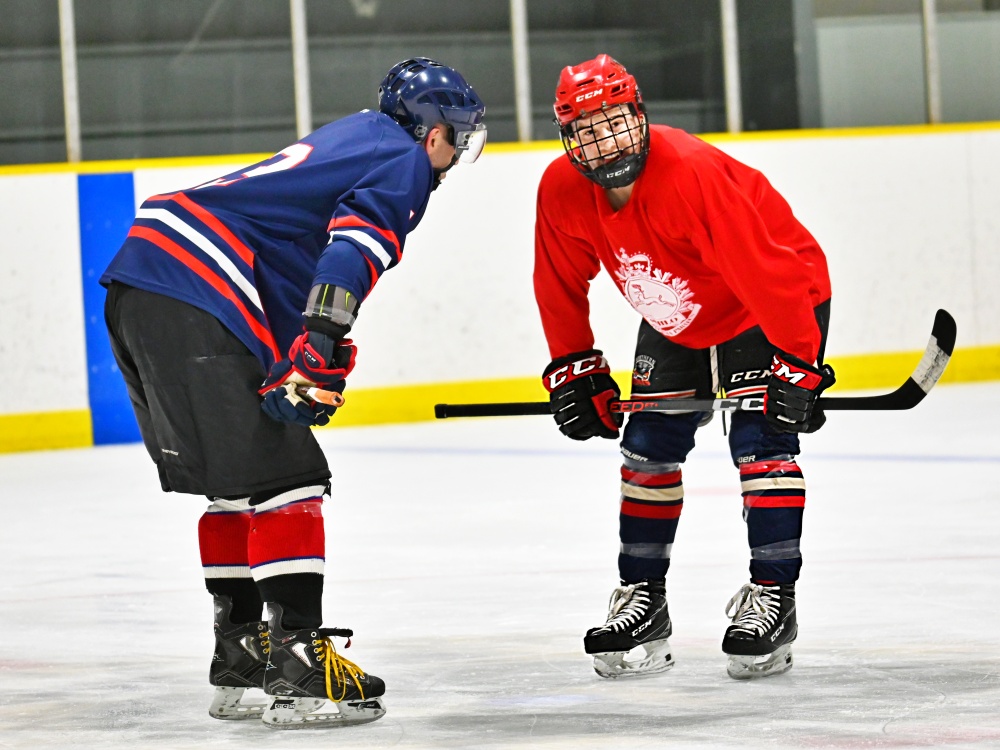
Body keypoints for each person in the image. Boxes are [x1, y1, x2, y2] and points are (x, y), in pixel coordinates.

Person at [100, 58, 486, 727]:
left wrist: (302, 352)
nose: (452, 156)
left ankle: (243, 659)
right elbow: (351, 253)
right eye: (456, 137)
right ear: (433, 134)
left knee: (234, 484)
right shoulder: (403, 161)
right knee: (290, 479)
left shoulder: (357, 138)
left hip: (143, 282)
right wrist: (321, 344)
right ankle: (301, 666)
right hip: (198, 289)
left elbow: (276, 261)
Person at [533, 54, 834, 681]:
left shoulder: (689, 173)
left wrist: (799, 364)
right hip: (681, 312)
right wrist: (575, 367)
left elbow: (769, 274)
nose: (603, 140)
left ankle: (773, 597)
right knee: (647, 446)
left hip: (770, 302)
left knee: (761, 442)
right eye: (586, 130)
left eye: (612, 121)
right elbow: (558, 282)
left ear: (638, 115)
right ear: (568, 139)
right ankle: (643, 600)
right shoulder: (561, 189)